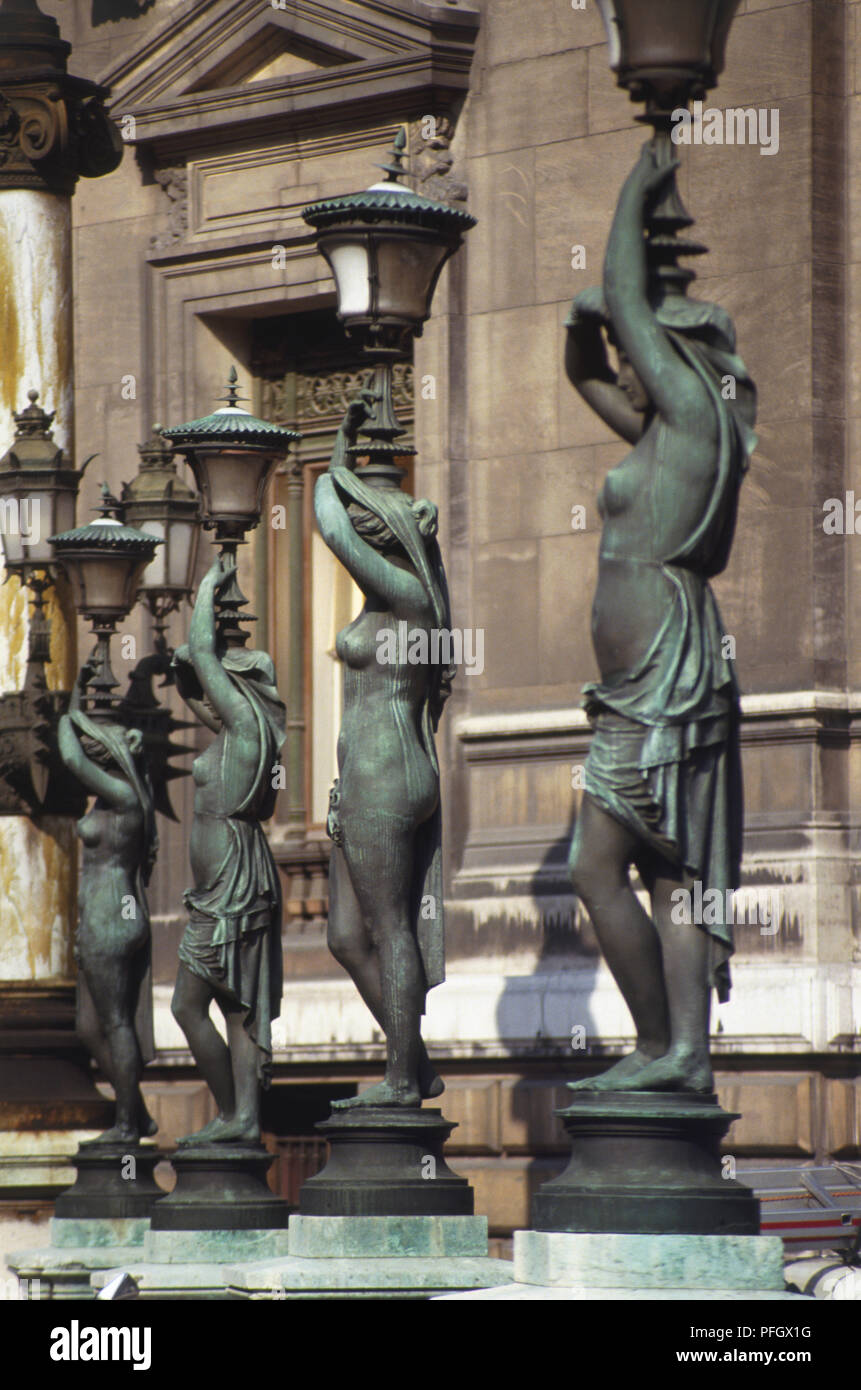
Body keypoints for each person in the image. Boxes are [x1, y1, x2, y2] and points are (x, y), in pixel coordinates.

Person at [564, 141, 757, 1094]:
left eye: (634, 354)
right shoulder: (655, 433)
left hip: (667, 674)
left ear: (672, 357)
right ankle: (674, 1054)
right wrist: (578, 329)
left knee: (600, 866)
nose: (623, 369)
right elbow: (584, 373)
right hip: (644, 682)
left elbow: (625, 304)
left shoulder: (687, 413)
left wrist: (638, 178)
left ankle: (666, 1048)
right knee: (664, 871)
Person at [314, 396, 454, 1108]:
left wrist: (330, 456)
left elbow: (329, 521)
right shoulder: (393, 602)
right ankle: (415, 1062)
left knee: (390, 926)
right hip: (365, 776)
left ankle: (401, 1080)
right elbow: (341, 521)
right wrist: (341, 449)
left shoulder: (407, 598)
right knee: (344, 935)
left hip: (386, 773)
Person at [170, 556, 285, 1143]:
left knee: (191, 1006)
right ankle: (239, 1117)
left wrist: (207, 592)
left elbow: (205, 665)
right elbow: (197, 684)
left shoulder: (244, 730)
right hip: (225, 885)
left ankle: (236, 1115)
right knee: (235, 1006)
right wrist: (186, 664)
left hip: (234, 883)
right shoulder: (232, 733)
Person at [58, 665, 158, 1143]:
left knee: (114, 1021)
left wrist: (69, 704)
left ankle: (125, 1126)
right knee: (86, 1028)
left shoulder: (122, 796)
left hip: (111, 917)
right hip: (104, 917)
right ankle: (136, 1112)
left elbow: (71, 755)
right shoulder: (118, 797)